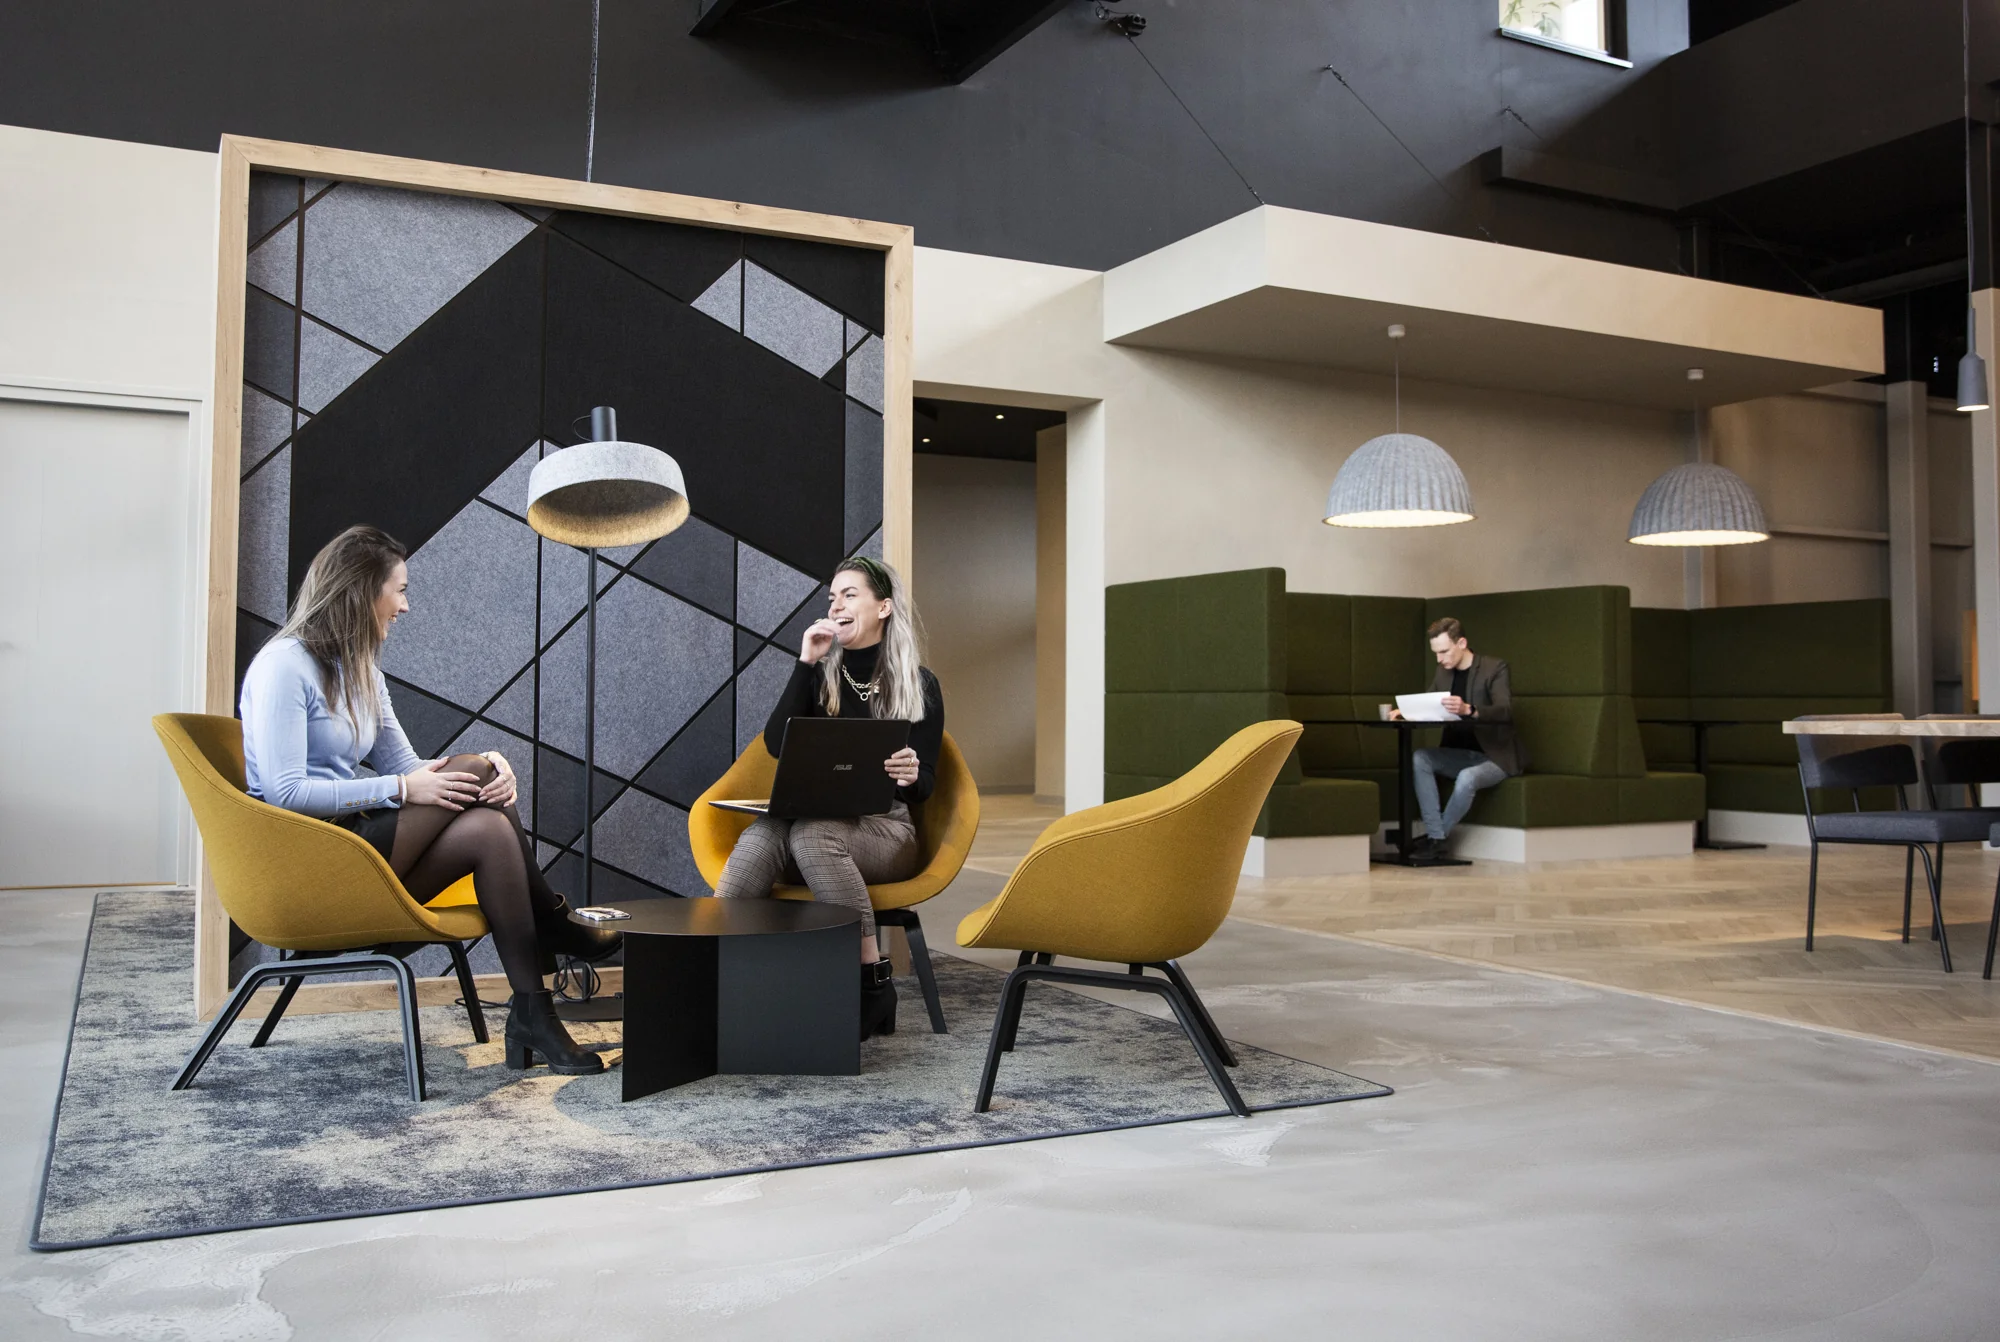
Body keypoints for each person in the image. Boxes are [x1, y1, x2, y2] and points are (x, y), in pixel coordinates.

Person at [239, 525, 620, 1076]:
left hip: (365, 849)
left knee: (489, 825)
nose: (407, 605)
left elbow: (411, 769)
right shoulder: (284, 666)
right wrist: (402, 789)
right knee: (475, 773)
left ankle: (533, 1013)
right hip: (310, 863)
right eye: (399, 590)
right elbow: (285, 793)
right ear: (360, 593)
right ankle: (553, 922)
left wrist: (493, 770)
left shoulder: (362, 670)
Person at [714, 555, 944, 1041]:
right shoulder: (822, 674)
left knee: (813, 835)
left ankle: (870, 983)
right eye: (832, 597)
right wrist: (806, 663)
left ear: (883, 607)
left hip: (886, 831)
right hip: (812, 830)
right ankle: (713, 980)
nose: (836, 605)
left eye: (849, 594)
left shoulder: (919, 685)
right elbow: (777, 745)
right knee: (764, 835)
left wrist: (908, 774)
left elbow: (925, 788)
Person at [1390, 616, 1526, 858]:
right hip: (1460, 754)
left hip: (1495, 757)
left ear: (1461, 643)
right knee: (1421, 757)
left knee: (1467, 777)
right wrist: (1404, 711)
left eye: (1444, 652)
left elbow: (1505, 711)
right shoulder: (1443, 672)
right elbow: (1428, 701)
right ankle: (1437, 838)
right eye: (1436, 654)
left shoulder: (1494, 668)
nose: (1440, 659)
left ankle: (1435, 837)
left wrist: (1469, 710)